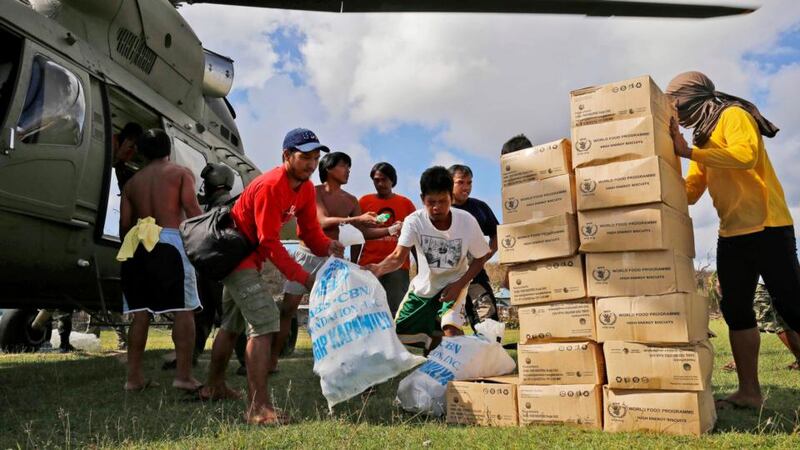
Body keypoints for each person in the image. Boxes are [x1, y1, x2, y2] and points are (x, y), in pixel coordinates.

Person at [667, 71, 800, 410]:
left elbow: (746, 156)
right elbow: (692, 192)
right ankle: (750, 393)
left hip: (768, 227)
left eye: (675, 103)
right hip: (732, 233)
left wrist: (689, 154)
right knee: (736, 311)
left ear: (693, 98)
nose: (675, 112)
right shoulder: (702, 137)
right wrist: (656, 178)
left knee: (791, 307)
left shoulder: (732, 115)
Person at [198, 128, 344, 425]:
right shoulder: (270, 186)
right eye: (305, 157)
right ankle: (258, 408)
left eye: (316, 158)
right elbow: (269, 242)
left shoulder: (303, 189)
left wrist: (327, 246)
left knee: (231, 323)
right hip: (238, 259)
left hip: (250, 258)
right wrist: (304, 277)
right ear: (286, 156)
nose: (312, 164)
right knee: (265, 323)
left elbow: (310, 232)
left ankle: (213, 386)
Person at [272, 152, 399, 372]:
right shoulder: (313, 191)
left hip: (333, 262)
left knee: (334, 313)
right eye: (344, 166)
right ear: (329, 169)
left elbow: (364, 232)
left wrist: (391, 229)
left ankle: (335, 363)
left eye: (349, 166)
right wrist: (355, 219)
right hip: (305, 256)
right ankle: (272, 359)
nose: (348, 170)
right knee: (288, 309)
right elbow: (320, 222)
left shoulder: (351, 200)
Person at [366, 166, 491, 353]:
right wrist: (377, 269)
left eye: (443, 201)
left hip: (454, 284)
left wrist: (459, 284)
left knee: (450, 328)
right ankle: (431, 359)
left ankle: (467, 367)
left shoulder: (467, 221)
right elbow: (398, 257)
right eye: (431, 202)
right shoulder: (414, 221)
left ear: (451, 197)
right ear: (422, 199)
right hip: (423, 288)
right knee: (395, 335)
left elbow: (481, 258)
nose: (437, 208)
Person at [117, 129, 203, 392]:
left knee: (140, 313)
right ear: (168, 149)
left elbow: (124, 225)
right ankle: (183, 376)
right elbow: (193, 212)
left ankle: (133, 379)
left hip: (138, 242)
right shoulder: (180, 174)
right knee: (183, 310)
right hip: (171, 241)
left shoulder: (132, 183)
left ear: (142, 153)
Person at [161, 162, 237, 370]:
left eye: (208, 181)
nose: (205, 186)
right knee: (202, 313)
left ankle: (247, 360)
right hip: (206, 267)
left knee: (228, 314)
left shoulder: (228, 206)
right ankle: (189, 356)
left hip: (218, 268)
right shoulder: (212, 206)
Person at [356, 162, 416, 316]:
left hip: (398, 267)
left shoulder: (406, 204)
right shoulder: (363, 202)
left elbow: (414, 237)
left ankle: (395, 341)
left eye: (384, 179)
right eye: (376, 180)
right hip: (368, 266)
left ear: (392, 180)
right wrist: (354, 265)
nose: (380, 183)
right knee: (367, 312)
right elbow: (357, 235)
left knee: (396, 312)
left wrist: (421, 267)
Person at [708, 273, 800, 372]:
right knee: (783, 321)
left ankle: (740, 363)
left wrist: (723, 279)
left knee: (751, 323)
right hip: (779, 278)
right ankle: (739, 362)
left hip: (760, 283)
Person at [448, 164, 500, 327]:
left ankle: (490, 349)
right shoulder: (441, 208)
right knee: (447, 322)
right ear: (449, 182)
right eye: (460, 182)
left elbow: (497, 232)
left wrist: (488, 254)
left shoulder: (480, 207)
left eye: (469, 183)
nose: (466, 187)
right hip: (446, 277)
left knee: (488, 317)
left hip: (475, 273)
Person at [113, 122, 144, 189]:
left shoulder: (131, 149)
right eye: (131, 138)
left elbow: (119, 165)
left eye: (135, 141)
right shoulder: (111, 141)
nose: (133, 143)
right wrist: (120, 153)